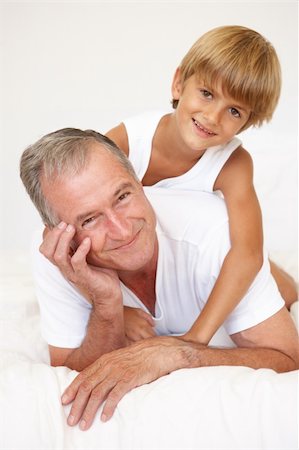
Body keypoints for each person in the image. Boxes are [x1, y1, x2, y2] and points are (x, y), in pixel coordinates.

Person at [20, 128, 299, 430]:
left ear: (140, 182)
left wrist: (181, 355)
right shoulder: (56, 255)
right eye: (90, 219)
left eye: (123, 196)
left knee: (287, 293)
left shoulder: (215, 232)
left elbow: (289, 357)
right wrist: (107, 304)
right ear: (59, 232)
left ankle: (272, 271)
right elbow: (70, 372)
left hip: (201, 243)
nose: (123, 230)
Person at [106, 25, 297, 345]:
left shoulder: (233, 163)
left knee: (287, 292)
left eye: (234, 111)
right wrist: (117, 310)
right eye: (207, 94)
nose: (212, 116)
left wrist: (197, 336)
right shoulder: (127, 141)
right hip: (142, 254)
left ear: (246, 123)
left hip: (191, 254)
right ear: (179, 83)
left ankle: (278, 269)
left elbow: (247, 254)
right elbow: (77, 219)